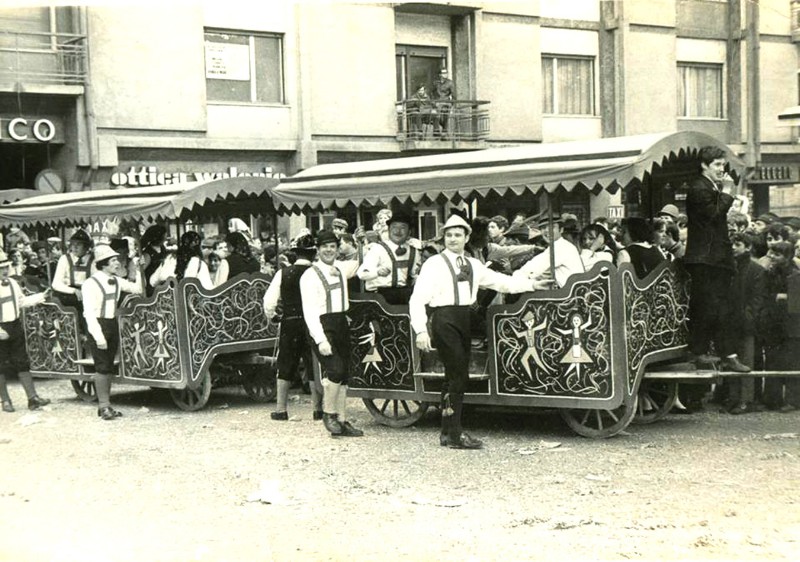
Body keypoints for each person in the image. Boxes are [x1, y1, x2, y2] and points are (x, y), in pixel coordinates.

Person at [410, 214, 552, 450]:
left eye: (458, 235)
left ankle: (447, 432)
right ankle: (455, 434)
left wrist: (532, 285)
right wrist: (420, 330)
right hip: (444, 319)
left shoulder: (473, 265)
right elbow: (417, 299)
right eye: (448, 235)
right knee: (458, 376)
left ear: (467, 238)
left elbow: (500, 282)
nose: (453, 239)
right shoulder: (433, 264)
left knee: (454, 377)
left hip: (464, 318)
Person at [682, 146, 750, 375]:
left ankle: (718, 352)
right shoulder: (698, 188)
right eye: (717, 165)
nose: (722, 169)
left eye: (723, 164)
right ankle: (708, 351)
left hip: (714, 258)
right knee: (711, 307)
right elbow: (714, 214)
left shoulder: (707, 186)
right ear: (704, 165)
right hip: (707, 259)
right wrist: (729, 191)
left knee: (719, 308)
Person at [300, 229, 361, 438]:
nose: (329, 250)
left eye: (333, 246)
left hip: (340, 322)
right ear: (317, 250)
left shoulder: (341, 268)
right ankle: (329, 414)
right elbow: (309, 312)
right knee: (334, 370)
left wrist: (360, 241)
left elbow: (360, 262)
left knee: (344, 375)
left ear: (338, 249)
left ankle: (342, 421)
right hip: (322, 325)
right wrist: (321, 339)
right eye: (324, 246)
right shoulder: (309, 275)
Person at [263, 234, 321, 421]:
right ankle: (317, 409)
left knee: (286, 363)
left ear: (295, 254)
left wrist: (273, 317)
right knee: (313, 364)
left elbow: (269, 302)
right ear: (313, 254)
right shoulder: (318, 272)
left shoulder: (283, 273)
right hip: (313, 322)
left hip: (290, 321)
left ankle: (281, 410)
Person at [83, 244, 142, 420]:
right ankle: (104, 406)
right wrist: (98, 336)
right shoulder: (90, 284)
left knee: (108, 366)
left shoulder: (116, 280)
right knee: (102, 366)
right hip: (97, 326)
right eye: (113, 260)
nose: (117, 263)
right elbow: (89, 313)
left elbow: (137, 289)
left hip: (112, 324)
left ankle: (106, 406)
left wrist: (138, 270)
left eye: (117, 259)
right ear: (103, 264)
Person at [0, 250, 50, 413]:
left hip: (15, 326)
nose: (5, 271)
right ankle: (6, 401)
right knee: (1, 366)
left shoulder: (13, 284)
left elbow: (21, 302)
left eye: (6, 267)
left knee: (22, 361)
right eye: (1, 269)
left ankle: (33, 398)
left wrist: (41, 296)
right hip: (1, 329)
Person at [726, 232, 767, 414]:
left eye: (739, 244)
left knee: (747, 361)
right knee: (732, 361)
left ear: (748, 247)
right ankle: (734, 397)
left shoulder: (756, 270)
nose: (734, 247)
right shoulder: (729, 267)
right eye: (733, 244)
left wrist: (748, 316)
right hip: (730, 321)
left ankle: (746, 400)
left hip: (746, 323)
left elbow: (758, 299)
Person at [761, 241, 800, 412]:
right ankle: (772, 398)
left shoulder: (795, 275)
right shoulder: (769, 273)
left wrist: (788, 297)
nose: (772, 257)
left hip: (792, 327)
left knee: (792, 363)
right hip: (773, 324)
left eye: (777, 254)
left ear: (788, 256)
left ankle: (793, 400)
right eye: (771, 253)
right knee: (772, 360)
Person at [357, 210, 420, 304]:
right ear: (389, 229)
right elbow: (361, 273)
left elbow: (416, 275)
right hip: (378, 297)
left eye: (403, 228)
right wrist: (377, 272)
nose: (398, 231)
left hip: (404, 295)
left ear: (409, 232)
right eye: (394, 227)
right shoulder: (377, 249)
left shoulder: (414, 251)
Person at [514, 214, 584, 289]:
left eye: (552, 227)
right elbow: (533, 265)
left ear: (561, 230)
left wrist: (517, 277)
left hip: (568, 295)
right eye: (543, 228)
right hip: (566, 292)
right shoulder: (556, 246)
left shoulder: (561, 248)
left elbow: (535, 269)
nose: (547, 231)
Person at [150, 231, 214, 290]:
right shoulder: (200, 264)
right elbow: (208, 288)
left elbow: (152, 281)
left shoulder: (169, 259)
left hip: (169, 300)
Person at [51, 229, 93, 308]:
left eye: (79, 244)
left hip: (87, 293)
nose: (75, 247)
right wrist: (74, 291)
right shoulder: (64, 259)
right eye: (73, 244)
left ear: (86, 247)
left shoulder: (92, 260)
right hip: (67, 294)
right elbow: (56, 284)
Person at [140, 225, 168, 297]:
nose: (166, 237)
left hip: (161, 283)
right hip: (152, 286)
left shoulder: (162, 248)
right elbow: (141, 270)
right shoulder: (147, 254)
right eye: (164, 235)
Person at [432, 67, 454, 138]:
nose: (445, 75)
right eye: (443, 73)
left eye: (446, 73)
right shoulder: (436, 83)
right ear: (440, 74)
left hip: (446, 102)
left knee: (445, 113)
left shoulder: (450, 83)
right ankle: (436, 131)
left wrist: (452, 104)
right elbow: (432, 93)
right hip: (437, 102)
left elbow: (454, 94)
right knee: (435, 114)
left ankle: (444, 131)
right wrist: (433, 102)